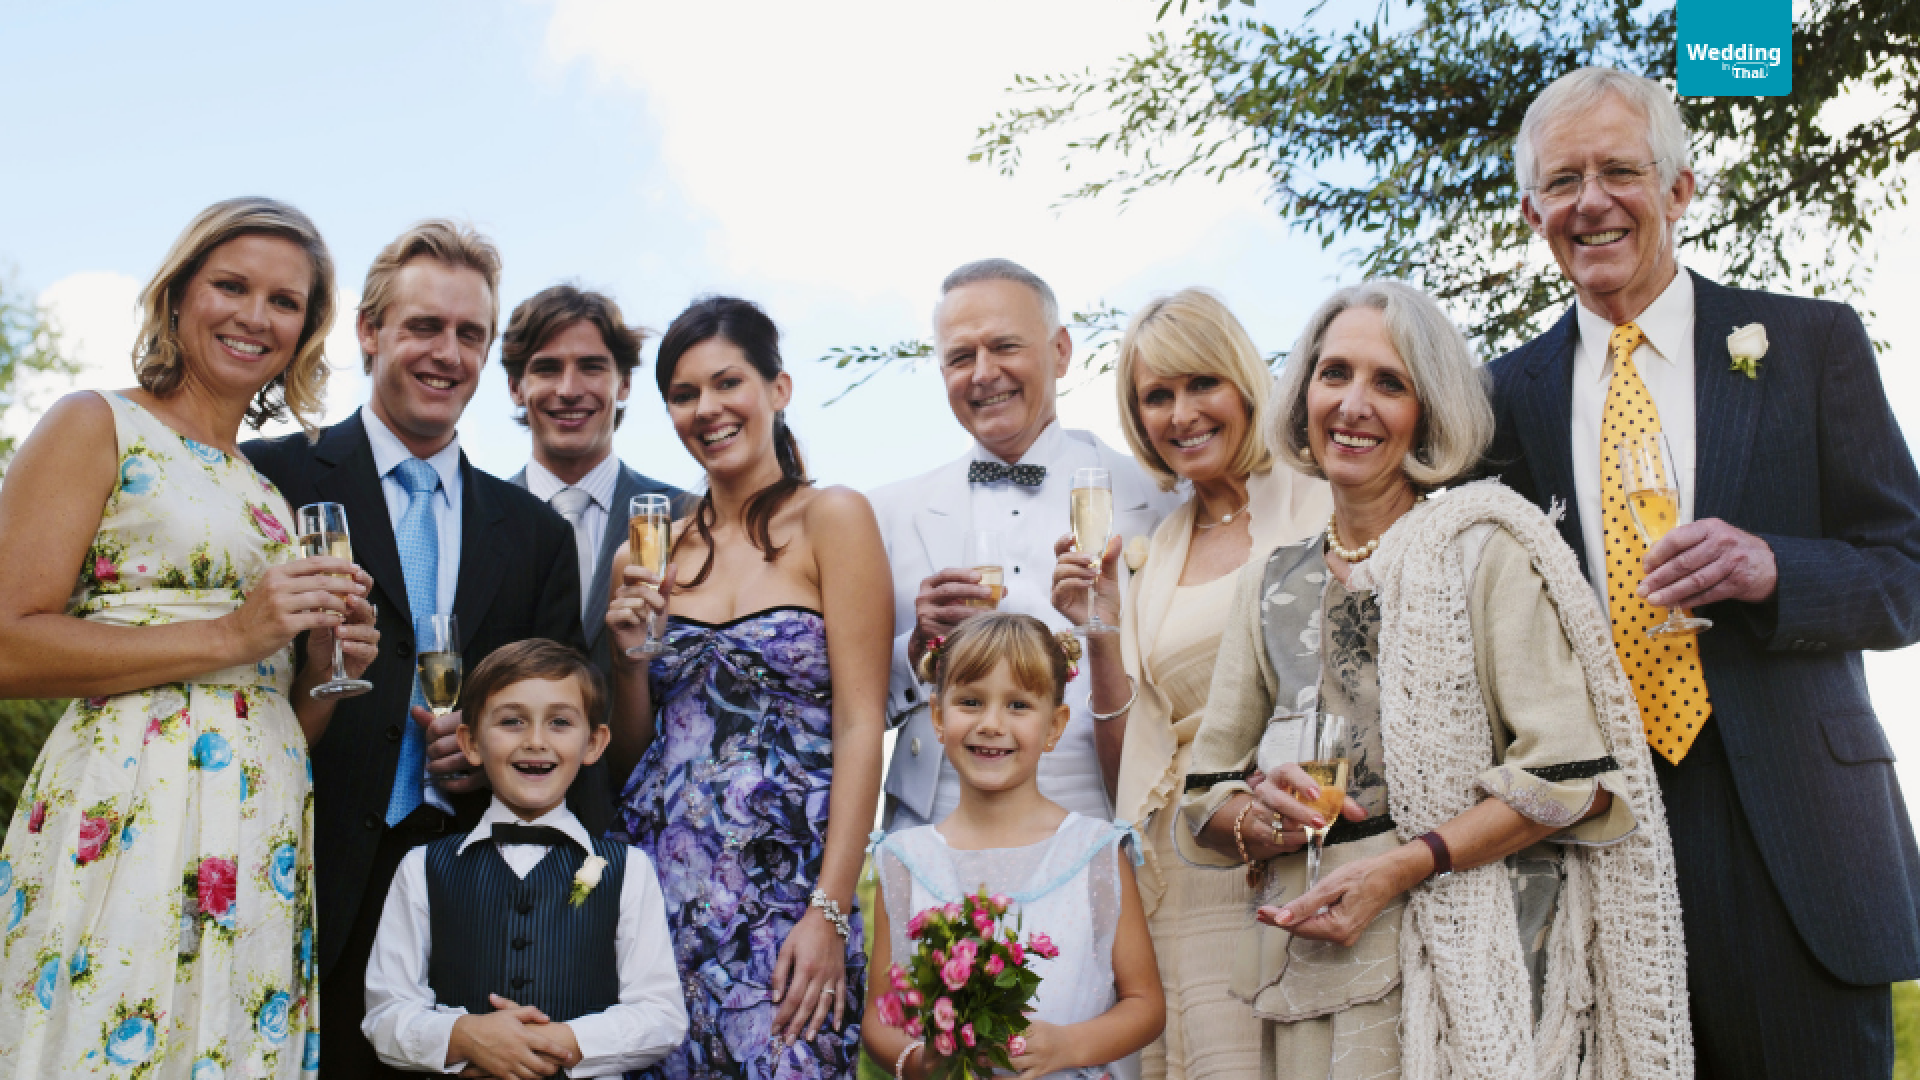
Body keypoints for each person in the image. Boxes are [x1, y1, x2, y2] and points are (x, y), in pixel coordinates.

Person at [1483, 66, 1920, 1078]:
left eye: (1620, 171)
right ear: (1533, 213)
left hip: (1798, 839)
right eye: (1563, 181)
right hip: (1601, 837)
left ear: (1680, 190)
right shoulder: (1502, 398)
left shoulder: (1810, 341)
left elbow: (1906, 570)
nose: (1591, 201)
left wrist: (1774, 568)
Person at [1180, 280, 1691, 1078]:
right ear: (1304, 393)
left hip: (1472, 973)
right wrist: (1264, 821)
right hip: (1307, 964)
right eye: (1335, 373)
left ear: (1430, 413)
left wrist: (1402, 866)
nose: (1354, 404)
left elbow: (1571, 778)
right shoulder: (1268, 583)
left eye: (1390, 383)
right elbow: (1204, 795)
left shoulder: (1487, 554)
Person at [0, 197, 379, 1077]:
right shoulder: (96, 421)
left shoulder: (269, 493)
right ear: (177, 296)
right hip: (129, 807)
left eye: (284, 302)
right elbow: (8, 644)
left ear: (305, 332)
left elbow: (275, 712)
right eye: (231, 286)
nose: (256, 316)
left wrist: (322, 669)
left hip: (259, 829)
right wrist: (235, 631)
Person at [243, 221, 594, 1079]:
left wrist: (490, 754)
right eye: (424, 326)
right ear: (369, 331)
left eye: (470, 333)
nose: (447, 353)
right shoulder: (269, 479)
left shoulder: (537, 535)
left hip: (468, 904)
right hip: (294, 876)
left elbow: (567, 711)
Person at [604, 295, 888, 1079]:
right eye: (684, 394)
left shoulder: (833, 518)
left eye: (727, 382)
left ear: (778, 389)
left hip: (789, 901)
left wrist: (829, 911)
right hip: (662, 898)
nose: (707, 408)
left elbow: (862, 723)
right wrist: (627, 662)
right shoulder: (652, 547)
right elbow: (634, 754)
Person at [1049, 288, 1326, 1079]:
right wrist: (1102, 629)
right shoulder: (1155, 550)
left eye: (1202, 383)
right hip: (1193, 874)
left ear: (1244, 383)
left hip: (1314, 843)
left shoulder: (1321, 496)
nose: (1182, 414)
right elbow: (1130, 774)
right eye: (1157, 396)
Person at [872, 259, 1181, 832]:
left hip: (1107, 824)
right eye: (960, 358)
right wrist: (915, 652)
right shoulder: (886, 516)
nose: (983, 373)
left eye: (1005, 347)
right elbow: (845, 707)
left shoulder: (1161, 497)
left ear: (1060, 352)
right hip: (933, 830)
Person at [362, 639, 688, 1079]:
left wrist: (556, 1043)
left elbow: (660, 1015)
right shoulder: (421, 867)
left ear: (594, 743)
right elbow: (386, 1014)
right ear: (470, 743)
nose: (535, 742)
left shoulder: (628, 870)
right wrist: (466, 1036)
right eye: (511, 722)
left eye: (559, 722)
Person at [863, 613, 1164, 1080]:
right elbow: (881, 1020)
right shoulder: (905, 861)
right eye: (970, 702)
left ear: (1055, 726)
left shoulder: (1096, 853)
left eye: (1018, 705)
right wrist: (925, 1062)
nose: (991, 723)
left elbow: (1145, 1004)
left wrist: (1067, 1045)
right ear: (938, 717)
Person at [501, 284, 688, 693]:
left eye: (591, 367)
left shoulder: (689, 516)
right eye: (547, 368)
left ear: (624, 384)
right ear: (515, 386)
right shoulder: (473, 520)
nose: (569, 390)